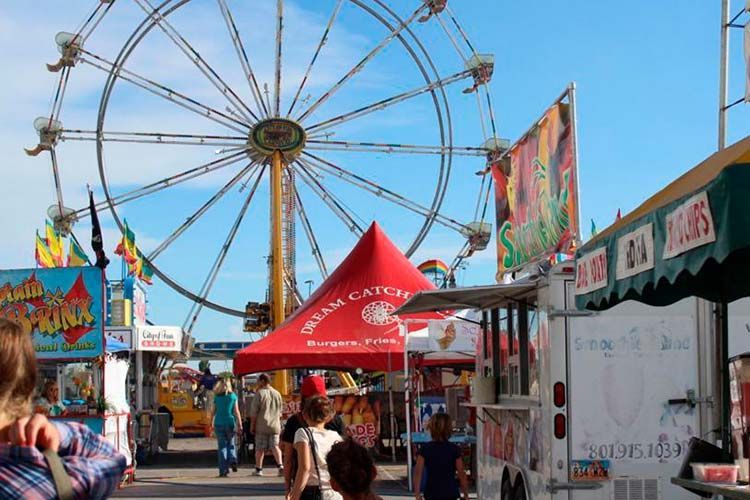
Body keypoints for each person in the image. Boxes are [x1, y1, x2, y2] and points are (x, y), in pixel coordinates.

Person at [0, 318, 127, 499]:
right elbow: (113, 459)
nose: (55, 392)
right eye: (52, 390)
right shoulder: (47, 483)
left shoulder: (57, 404)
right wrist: (59, 433)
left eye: (56, 390)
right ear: (28, 387)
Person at [282, 375, 345, 491]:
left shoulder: (294, 421)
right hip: (333, 485)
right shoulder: (335, 420)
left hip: (305, 487)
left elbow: (288, 459)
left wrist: (288, 487)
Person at [288, 396, 343, 500]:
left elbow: (305, 468)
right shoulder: (336, 436)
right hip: (334, 492)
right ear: (328, 417)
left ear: (304, 415)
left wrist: (294, 496)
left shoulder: (303, 433)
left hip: (313, 491)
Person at [413, 413, 469, 500]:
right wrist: (465, 494)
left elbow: (418, 472)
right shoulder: (454, 449)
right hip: (450, 491)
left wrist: (417, 494)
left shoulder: (425, 449)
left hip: (432, 492)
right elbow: (461, 473)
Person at [250, 373, 284, 476]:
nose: (257, 383)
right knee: (275, 447)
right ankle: (280, 466)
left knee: (260, 448)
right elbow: (280, 411)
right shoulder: (277, 393)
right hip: (275, 425)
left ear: (262, 381)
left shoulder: (259, 394)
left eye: (258, 381)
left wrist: (252, 426)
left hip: (262, 425)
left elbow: (254, 413)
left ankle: (259, 469)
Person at [212, 378, 242, 477]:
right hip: (230, 422)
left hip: (219, 423)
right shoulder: (233, 396)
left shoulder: (216, 397)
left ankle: (223, 471)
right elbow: (236, 411)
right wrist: (240, 424)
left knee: (222, 447)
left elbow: (213, 411)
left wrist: (210, 423)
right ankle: (233, 459)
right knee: (231, 443)